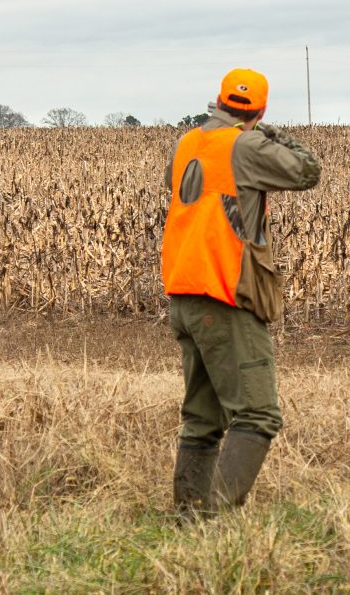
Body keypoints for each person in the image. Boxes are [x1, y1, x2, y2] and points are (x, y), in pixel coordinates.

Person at [161, 68, 320, 516]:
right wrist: (275, 133)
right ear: (260, 110)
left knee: (203, 419)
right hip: (224, 294)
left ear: (218, 100)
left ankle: (190, 515)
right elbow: (308, 171)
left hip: (184, 295)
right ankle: (216, 519)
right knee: (258, 414)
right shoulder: (247, 144)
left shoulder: (186, 142)